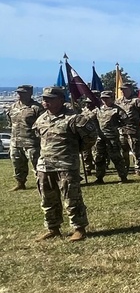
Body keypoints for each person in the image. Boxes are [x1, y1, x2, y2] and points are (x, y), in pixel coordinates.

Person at [33, 86, 98, 242]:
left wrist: (75, 149)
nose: (45, 102)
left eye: (49, 99)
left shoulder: (74, 119)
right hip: (45, 165)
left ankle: (79, 228)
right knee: (48, 199)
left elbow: (91, 137)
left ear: (61, 100)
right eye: (44, 99)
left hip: (66, 164)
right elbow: (38, 137)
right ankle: (53, 228)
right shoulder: (41, 119)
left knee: (72, 198)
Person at [8, 84, 43, 191]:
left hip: (32, 142)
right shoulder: (13, 107)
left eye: (22, 93)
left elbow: (42, 125)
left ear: (30, 93)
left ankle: (41, 184)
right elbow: (10, 122)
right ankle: (20, 183)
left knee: (37, 165)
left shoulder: (36, 108)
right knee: (17, 164)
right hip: (15, 142)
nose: (19, 95)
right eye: (18, 92)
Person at [93, 91, 130, 184]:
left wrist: (117, 126)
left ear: (111, 98)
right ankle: (99, 177)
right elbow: (88, 118)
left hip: (112, 138)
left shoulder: (117, 109)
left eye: (106, 98)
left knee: (116, 158)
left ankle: (123, 177)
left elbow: (126, 120)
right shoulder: (98, 109)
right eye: (103, 98)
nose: (104, 100)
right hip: (100, 138)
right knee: (99, 158)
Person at [117, 82, 140, 175]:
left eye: (125, 89)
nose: (123, 91)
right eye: (122, 90)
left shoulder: (136, 101)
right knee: (124, 151)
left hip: (133, 129)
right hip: (122, 130)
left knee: (136, 151)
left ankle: (139, 169)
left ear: (130, 90)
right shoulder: (118, 101)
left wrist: (139, 119)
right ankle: (125, 168)